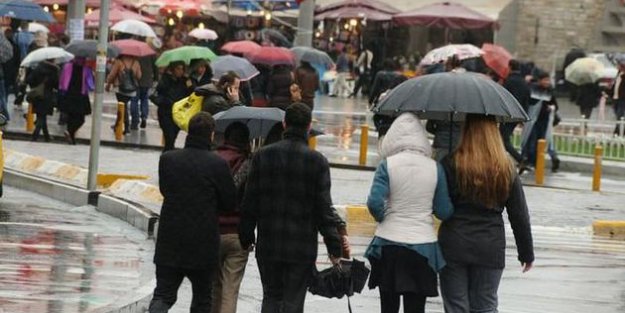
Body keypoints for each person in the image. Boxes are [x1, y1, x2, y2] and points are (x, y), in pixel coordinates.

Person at [239, 103, 348, 313]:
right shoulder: (317, 162)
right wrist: (334, 246)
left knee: (271, 296)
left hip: (269, 243)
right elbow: (323, 209)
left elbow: (250, 200)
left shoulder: (263, 155)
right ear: (308, 127)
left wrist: (246, 235)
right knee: (293, 301)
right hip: (301, 247)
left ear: (284, 124)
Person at [439, 114, 534, 313]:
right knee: (485, 306)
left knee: (456, 306)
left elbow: (441, 206)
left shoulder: (451, 162)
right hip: (490, 245)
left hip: (454, 242)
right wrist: (526, 252)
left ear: (466, 131)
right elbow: (519, 214)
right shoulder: (506, 168)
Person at [365, 113, 453, 313]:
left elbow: (374, 202)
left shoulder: (386, 165)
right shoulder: (436, 168)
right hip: (423, 246)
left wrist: (384, 216)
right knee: (416, 308)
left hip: (389, 243)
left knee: (388, 306)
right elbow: (444, 211)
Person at [149, 112, 237, 313]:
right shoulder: (217, 164)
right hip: (203, 243)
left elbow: (165, 190)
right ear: (211, 135)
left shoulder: (168, 159)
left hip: (170, 239)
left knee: (163, 294)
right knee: (202, 298)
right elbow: (229, 202)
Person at [213, 122, 252, 313]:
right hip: (237, 234)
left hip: (212, 232)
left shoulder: (213, 159)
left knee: (214, 287)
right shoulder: (249, 164)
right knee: (231, 289)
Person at [520, 71, 560, 172]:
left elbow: (555, 104)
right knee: (531, 141)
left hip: (544, 121)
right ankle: (531, 161)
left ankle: (536, 162)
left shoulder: (550, 91)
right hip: (533, 121)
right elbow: (528, 103)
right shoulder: (533, 89)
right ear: (540, 80)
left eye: (548, 80)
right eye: (545, 80)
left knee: (542, 141)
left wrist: (552, 107)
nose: (547, 82)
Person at [153, 61, 195, 152]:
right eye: (178, 69)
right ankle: (167, 158)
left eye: (182, 69)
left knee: (173, 138)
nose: (180, 71)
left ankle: (167, 156)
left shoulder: (185, 81)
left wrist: (189, 81)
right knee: (169, 139)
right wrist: (167, 102)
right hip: (166, 113)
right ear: (172, 69)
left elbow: (191, 93)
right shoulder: (165, 80)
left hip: (177, 114)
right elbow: (157, 95)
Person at [500, 60, 531, 168]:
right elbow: (527, 99)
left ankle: (520, 159)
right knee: (503, 138)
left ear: (510, 67)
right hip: (517, 114)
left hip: (507, 113)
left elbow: (503, 96)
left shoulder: (509, 81)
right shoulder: (523, 82)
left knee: (503, 139)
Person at [58, 57, 94, 145]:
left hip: (68, 95)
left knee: (71, 117)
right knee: (81, 119)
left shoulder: (67, 66)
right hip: (81, 96)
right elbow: (90, 85)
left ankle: (72, 138)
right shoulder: (86, 69)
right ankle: (70, 132)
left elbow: (62, 81)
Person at [106, 54, 142, 134]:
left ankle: (126, 127)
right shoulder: (135, 62)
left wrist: (108, 84)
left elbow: (112, 75)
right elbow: (139, 76)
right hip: (132, 89)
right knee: (123, 106)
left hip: (120, 88)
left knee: (123, 106)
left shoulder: (119, 62)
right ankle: (117, 125)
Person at [26, 59, 59, 142]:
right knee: (42, 116)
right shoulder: (54, 70)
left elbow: (29, 80)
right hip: (47, 95)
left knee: (41, 115)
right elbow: (56, 85)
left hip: (37, 95)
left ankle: (46, 136)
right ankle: (35, 135)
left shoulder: (38, 68)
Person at [130, 54, 157, 130]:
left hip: (136, 80)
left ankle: (135, 120)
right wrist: (156, 78)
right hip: (147, 80)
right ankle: (144, 117)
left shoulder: (135, 52)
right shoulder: (150, 52)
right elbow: (155, 66)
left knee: (134, 100)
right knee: (144, 100)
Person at [607, 61, 625, 136]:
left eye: (620, 66)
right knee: (618, 116)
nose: (618, 67)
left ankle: (617, 133)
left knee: (619, 116)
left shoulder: (623, 76)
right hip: (615, 98)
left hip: (622, 99)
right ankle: (619, 132)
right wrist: (608, 91)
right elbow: (615, 86)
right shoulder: (618, 74)